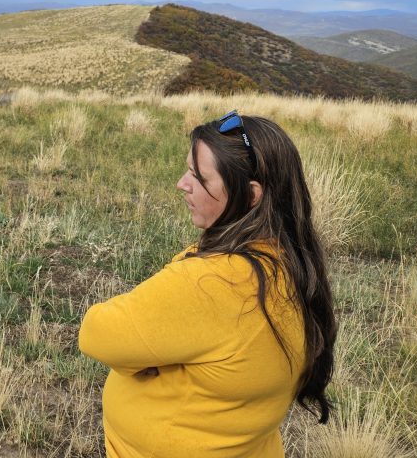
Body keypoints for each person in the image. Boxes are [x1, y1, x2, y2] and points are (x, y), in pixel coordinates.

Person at [79, 110, 336, 457]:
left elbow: (96, 332)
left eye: (199, 177)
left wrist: (139, 362)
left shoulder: (214, 282)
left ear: (250, 196)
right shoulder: (290, 264)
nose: (182, 184)